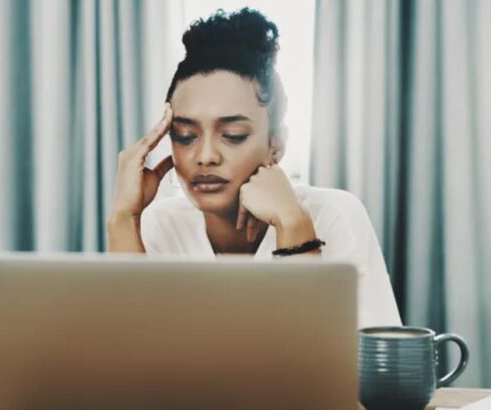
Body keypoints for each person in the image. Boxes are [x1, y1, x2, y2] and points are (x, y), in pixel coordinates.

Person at [107, 8, 401, 328]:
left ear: (276, 144)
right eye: (186, 136)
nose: (205, 156)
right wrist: (123, 220)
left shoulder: (334, 214)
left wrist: (293, 225)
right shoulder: (160, 225)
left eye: (233, 136)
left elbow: (348, 370)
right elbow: (130, 363)